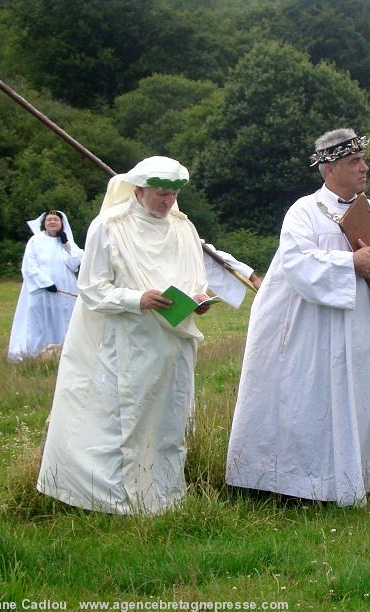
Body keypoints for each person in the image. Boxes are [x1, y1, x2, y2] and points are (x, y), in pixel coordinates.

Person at [225, 129, 370, 506]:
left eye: (363, 160)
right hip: (316, 334)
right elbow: (297, 262)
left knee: (367, 398)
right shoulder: (304, 212)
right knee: (313, 404)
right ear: (330, 169)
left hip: (368, 330)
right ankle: (303, 484)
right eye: (354, 162)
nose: (364, 168)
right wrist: (350, 262)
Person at [37, 156, 216, 515]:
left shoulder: (183, 227)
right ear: (139, 190)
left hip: (174, 342)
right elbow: (92, 287)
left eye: (173, 194)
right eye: (160, 194)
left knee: (169, 419)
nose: (167, 201)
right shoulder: (109, 226)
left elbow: (195, 277)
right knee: (124, 419)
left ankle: (165, 495)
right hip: (127, 341)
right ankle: (116, 501)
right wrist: (138, 298)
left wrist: (199, 299)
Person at [8, 210, 83, 361]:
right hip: (40, 289)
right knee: (40, 322)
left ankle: (61, 354)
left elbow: (74, 264)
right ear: (44, 223)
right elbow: (29, 266)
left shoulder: (66, 241)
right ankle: (35, 355)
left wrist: (66, 244)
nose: (52, 222)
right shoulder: (35, 241)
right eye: (49, 220)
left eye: (56, 219)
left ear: (62, 223)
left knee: (63, 319)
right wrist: (46, 283)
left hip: (64, 289)